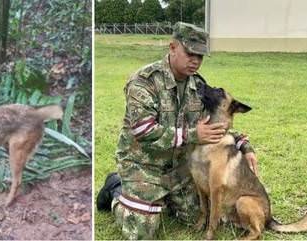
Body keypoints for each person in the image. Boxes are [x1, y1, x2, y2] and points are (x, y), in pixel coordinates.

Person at [96, 22, 259, 240]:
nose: (196, 61)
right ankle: (116, 188)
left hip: (180, 169)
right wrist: (192, 135)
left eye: (200, 56)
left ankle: (162, 199)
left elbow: (214, 125)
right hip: (145, 166)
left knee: (201, 216)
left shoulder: (198, 86)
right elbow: (144, 131)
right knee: (142, 232)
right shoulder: (144, 82)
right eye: (190, 53)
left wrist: (244, 145)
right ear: (172, 47)